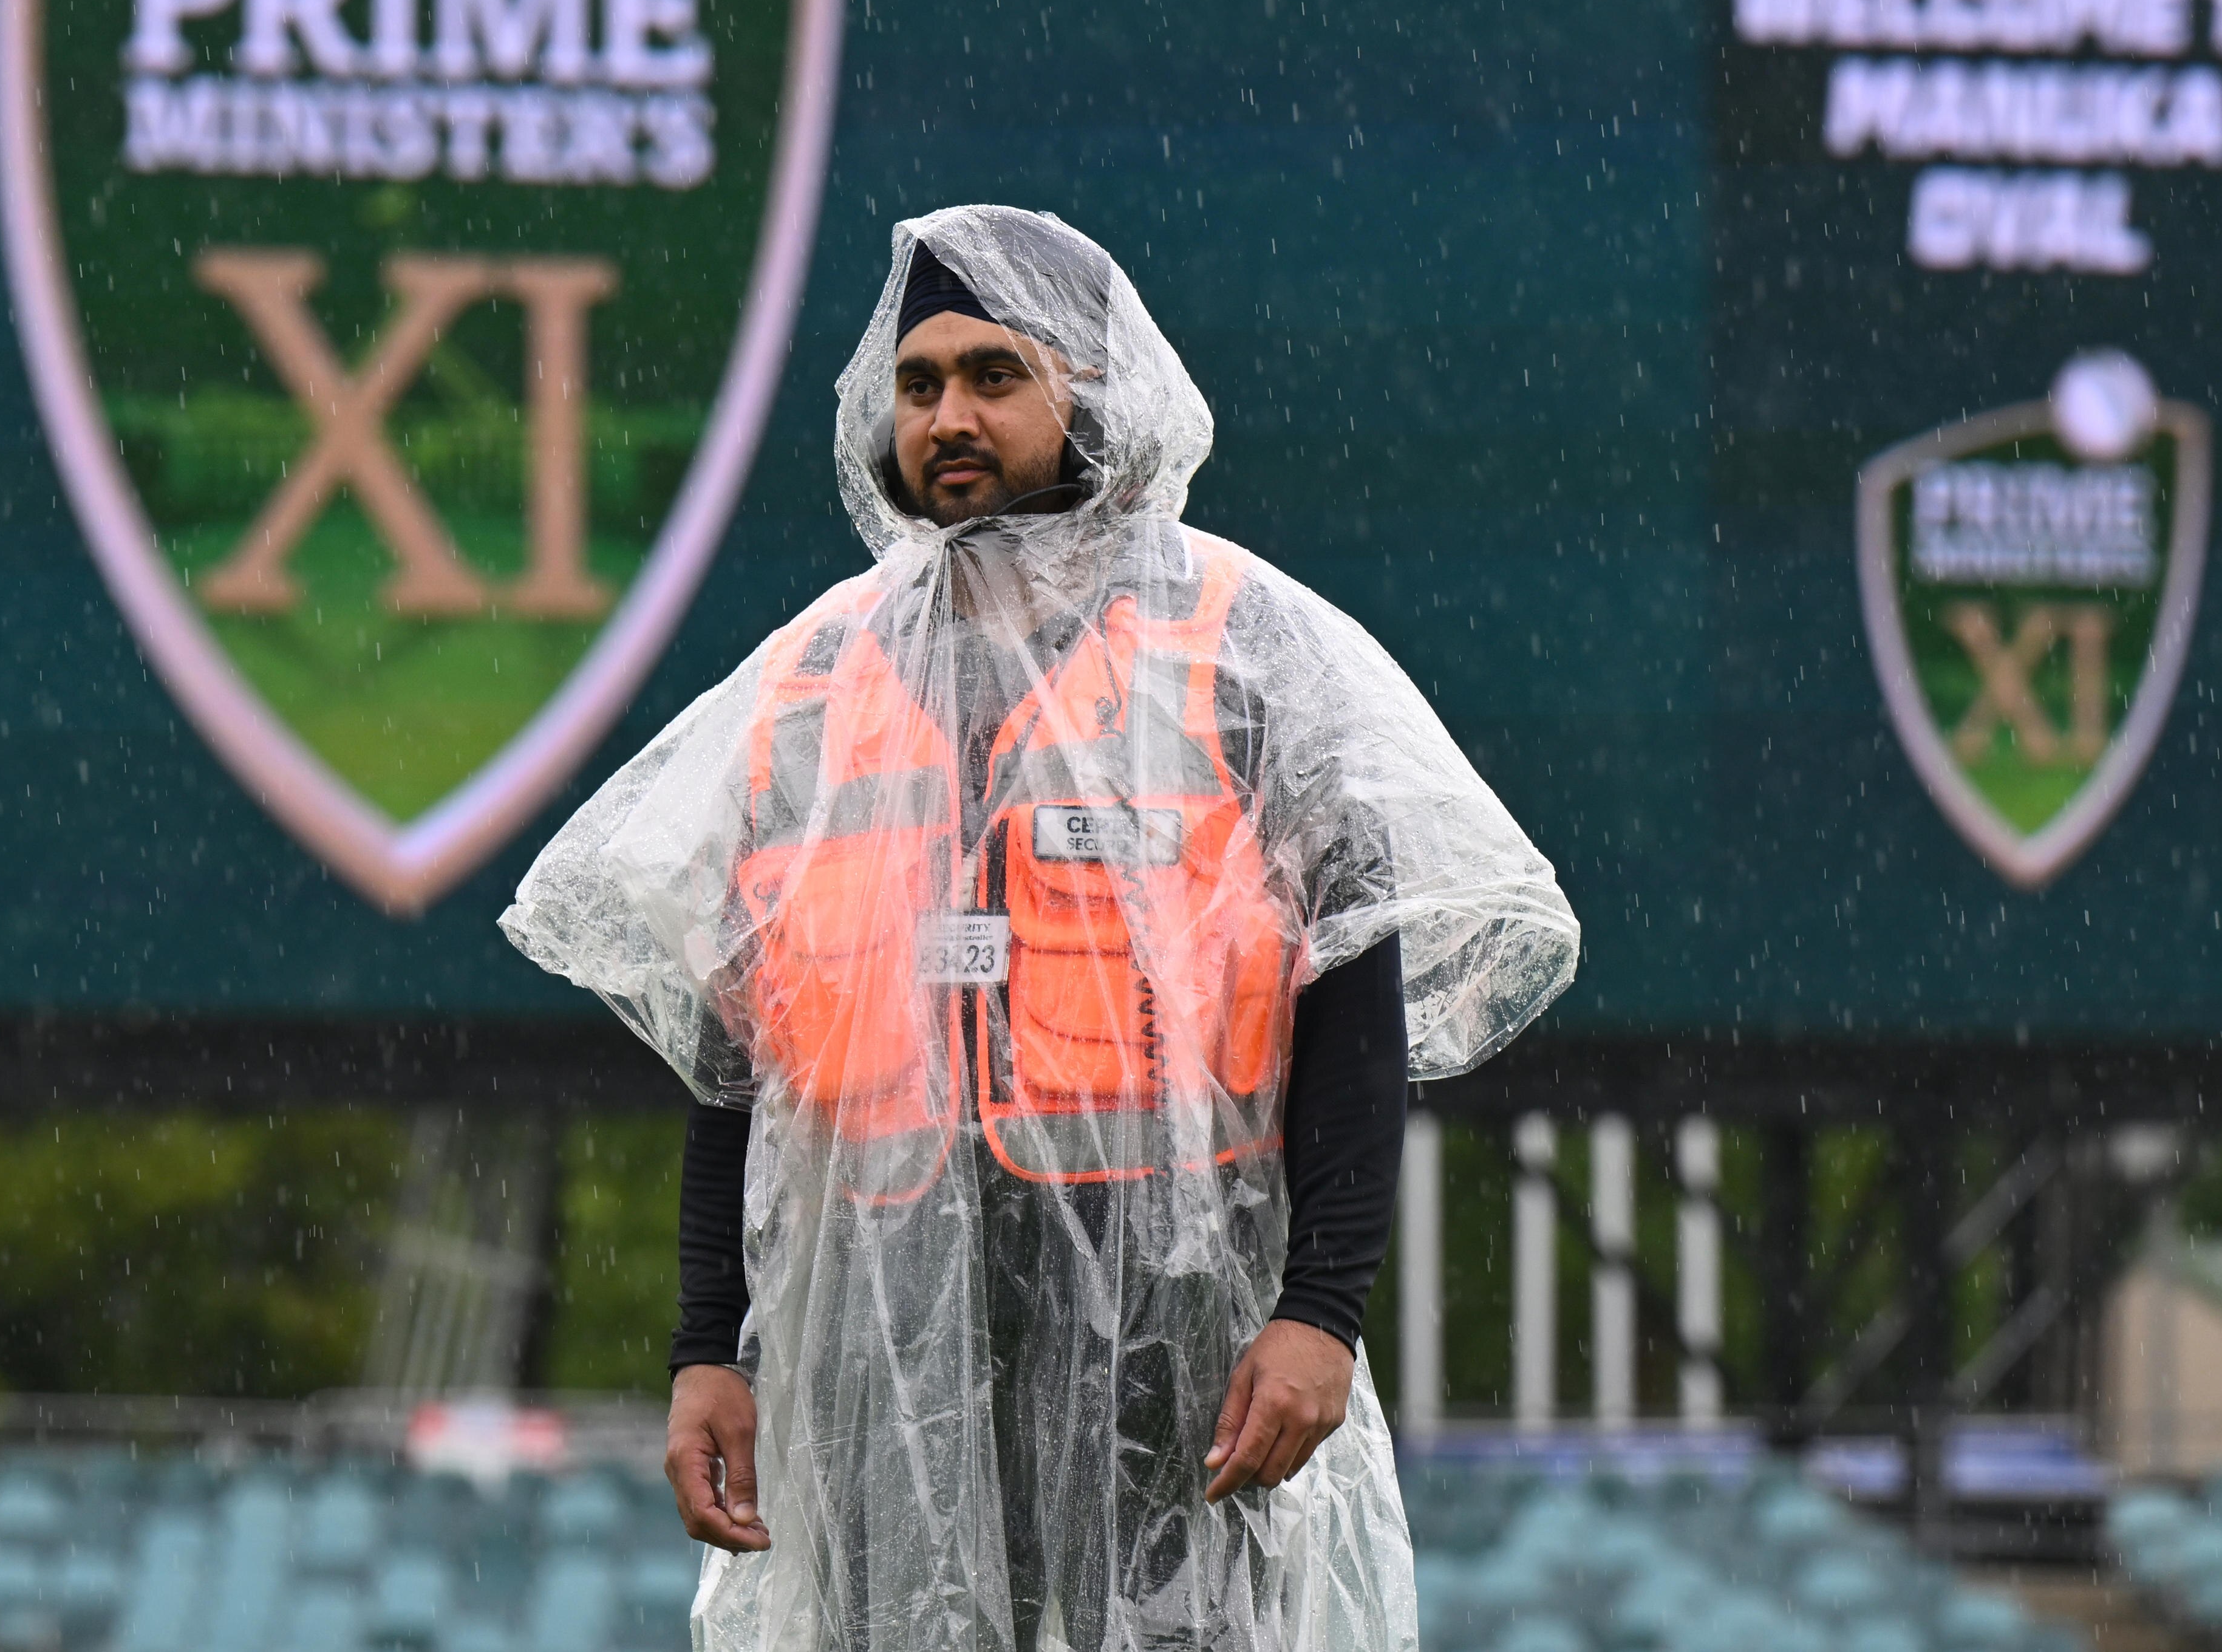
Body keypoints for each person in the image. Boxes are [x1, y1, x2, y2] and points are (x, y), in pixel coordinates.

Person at [503, 206, 1579, 1651]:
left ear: (1094, 390)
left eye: (995, 375)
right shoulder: (815, 679)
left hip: (1171, 1331)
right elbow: (739, 1059)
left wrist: (1322, 1303)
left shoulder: (1243, 647)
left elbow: (1351, 1003)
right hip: (878, 1330)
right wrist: (711, 1342)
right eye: (921, 381)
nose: (950, 416)